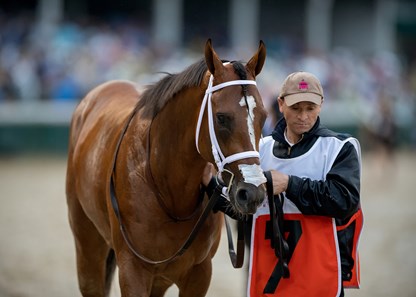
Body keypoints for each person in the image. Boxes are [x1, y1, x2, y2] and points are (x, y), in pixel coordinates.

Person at [202, 71, 363, 297]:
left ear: (321, 105)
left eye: (310, 108)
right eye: (296, 108)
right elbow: (245, 211)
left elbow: (345, 201)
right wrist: (212, 185)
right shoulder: (259, 150)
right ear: (281, 104)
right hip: (267, 279)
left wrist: (289, 184)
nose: (303, 116)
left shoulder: (340, 147)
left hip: (320, 279)